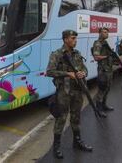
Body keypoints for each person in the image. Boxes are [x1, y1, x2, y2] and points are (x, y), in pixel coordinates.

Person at [46, 30, 93, 159]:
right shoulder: (57, 54)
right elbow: (49, 72)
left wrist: (83, 73)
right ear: (65, 39)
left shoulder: (77, 54)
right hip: (64, 92)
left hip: (77, 91)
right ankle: (56, 147)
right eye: (73, 38)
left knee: (76, 117)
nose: (75, 40)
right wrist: (67, 74)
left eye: (75, 38)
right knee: (61, 119)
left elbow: (85, 69)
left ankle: (77, 142)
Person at [92, 27, 114, 118]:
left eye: (107, 32)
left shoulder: (105, 43)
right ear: (100, 33)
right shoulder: (97, 43)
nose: (106, 34)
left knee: (107, 88)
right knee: (101, 90)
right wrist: (106, 56)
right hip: (103, 71)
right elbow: (96, 57)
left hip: (108, 70)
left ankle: (104, 105)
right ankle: (99, 109)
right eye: (104, 32)